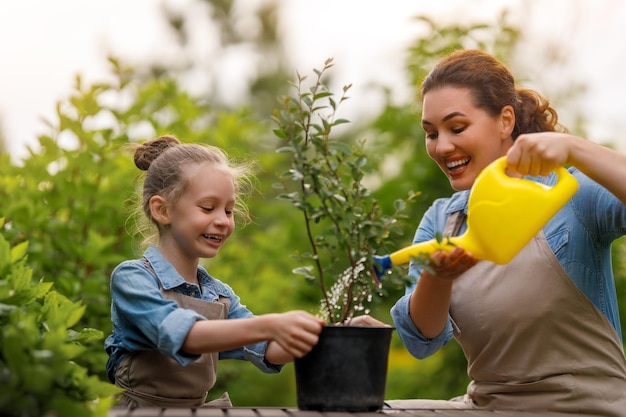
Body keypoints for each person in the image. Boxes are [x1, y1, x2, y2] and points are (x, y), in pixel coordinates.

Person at [387, 49, 626, 415]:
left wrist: (575, 149)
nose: (442, 146)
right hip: (489, 406)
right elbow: (421, 340)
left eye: (457, 127)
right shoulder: (442, 221)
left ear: (505, 120)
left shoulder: (569, 194)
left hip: (585, 408)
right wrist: (437, 278)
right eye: (431, 133)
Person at [104, 135, 327, 408]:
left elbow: (268, 348)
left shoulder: (218, 294)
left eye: (229, 211)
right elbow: (184, 336)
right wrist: (272, 324)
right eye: (208, 208)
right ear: (162, 210)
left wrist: (325, 333)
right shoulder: (133, 279)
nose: (222, 221)